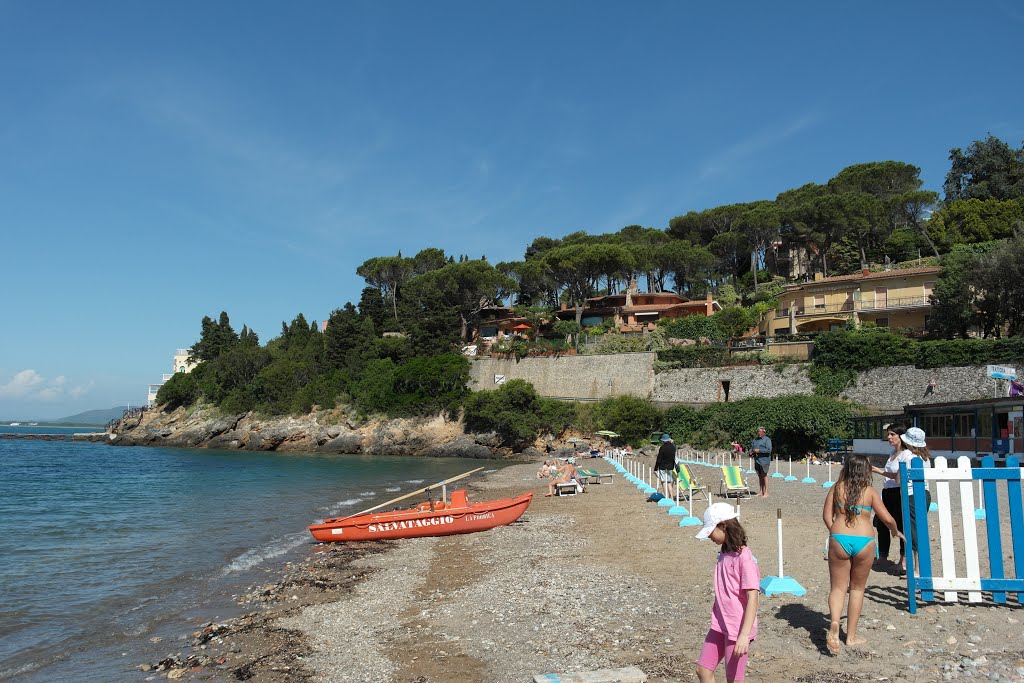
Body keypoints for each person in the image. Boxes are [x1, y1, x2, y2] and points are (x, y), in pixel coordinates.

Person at [822, 454, 903, 655]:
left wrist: (835, 531)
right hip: (864, 541)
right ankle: (851, 636)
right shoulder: (870, 492)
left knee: (838, 588)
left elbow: (826, 515)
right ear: (866, 470)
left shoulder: (836, 487)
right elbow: (887, 518)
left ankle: (833, 622)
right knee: (857, 589)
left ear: (847, 468)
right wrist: (895, 532)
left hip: (839, 537)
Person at [694, 503, 760, 683]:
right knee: (703, 670)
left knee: (734, 679)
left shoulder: (744, 558)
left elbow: (753, 596)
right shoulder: (725, 552)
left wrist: (744, 635)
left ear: (724, 526)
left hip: (738, 628)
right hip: (720, 622)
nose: (709, 537)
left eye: (711, 531)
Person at [896, 427, 932, 576]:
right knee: (920, 529)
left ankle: (918, 569)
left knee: (913, 532)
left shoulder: (907, 456)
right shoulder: (926, 458)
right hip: (925, 493)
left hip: (911, 495)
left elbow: (899, 479)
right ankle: (919, 567)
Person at [870, 424, 907, 570]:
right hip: (887, 492)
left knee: (900, 525)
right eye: (888, 434)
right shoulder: (892, 454)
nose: (889, 437)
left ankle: (903, 560)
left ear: (901, 436)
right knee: (881, 523)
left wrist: (879, 472)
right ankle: (883, 557)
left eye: (892, 434)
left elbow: (900, 476)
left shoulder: (906, 455)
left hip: (898, 492)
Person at [750, 426, 772, 497]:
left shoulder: (767, 440)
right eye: (758, 431)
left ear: (764, 432)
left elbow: (769, 450)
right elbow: (752, 448)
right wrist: (751, 452)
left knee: (764, 475)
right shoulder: (755, 440)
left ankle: (766, 492)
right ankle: (760, 491)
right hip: (757, 460)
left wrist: (759, 451)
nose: (759, 433)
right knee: (759, 476)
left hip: (764, 461)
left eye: (760, 431)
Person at [654, 433, 678, 500]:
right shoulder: (673, 447)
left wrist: (656, 468)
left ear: (663, 441)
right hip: (670, 466)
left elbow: (659, 459)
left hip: (663, 466)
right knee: (669, 482)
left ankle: (666, 496)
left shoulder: (662, 448)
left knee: (664, 481)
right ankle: (672, 497)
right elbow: (674, 457)